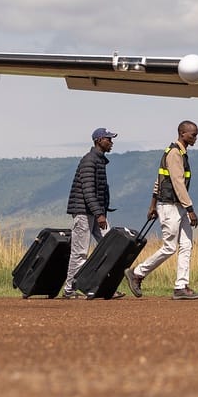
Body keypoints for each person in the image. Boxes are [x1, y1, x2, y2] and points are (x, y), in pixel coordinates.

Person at [126, 120, 198, 300]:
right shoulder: (175, 153)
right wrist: (190, 209)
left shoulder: (180, 153)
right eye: (193, 135)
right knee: (169, 247)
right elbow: (177, 183)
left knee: (186, 245)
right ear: (182, 134)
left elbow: (159, 180)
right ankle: (137, 273)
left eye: (196, 134)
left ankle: (181, 286)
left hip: (177, 206)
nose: (195, 138)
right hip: (170, 206)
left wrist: (152, 205)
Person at [61, 127, 117, 299]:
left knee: (111, 247)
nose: (111, 142)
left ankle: (103, 287)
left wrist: (102, 212)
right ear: (99, 140)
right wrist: (99, 214)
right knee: (79, 253)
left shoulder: (99, 160)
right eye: (108, 139)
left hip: (95, 212)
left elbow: (100, 191)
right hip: (84, 213)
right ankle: (69, 289)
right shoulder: (89, 161)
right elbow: (88, 191)